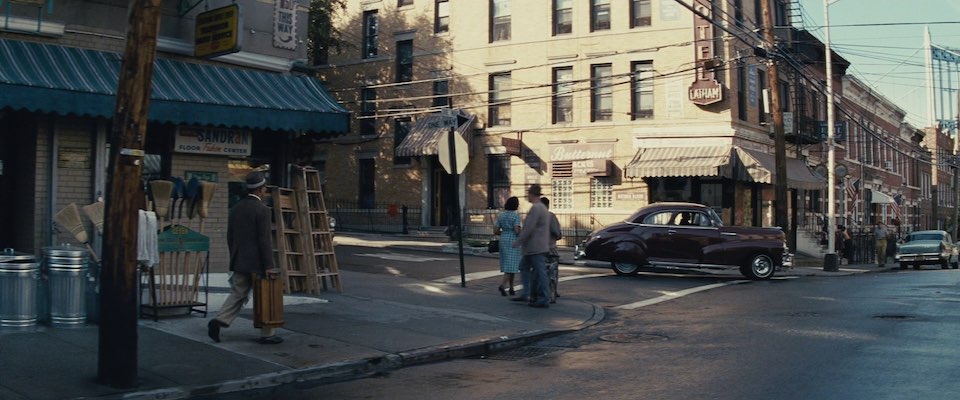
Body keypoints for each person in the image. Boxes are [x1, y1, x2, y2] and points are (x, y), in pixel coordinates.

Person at [208, 171, 284, 345]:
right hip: (257, 262)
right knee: (265, 296)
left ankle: (220, 320)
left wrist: (234, 256)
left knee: (237, 293)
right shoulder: (263, 210)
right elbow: (264, 240)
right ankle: (267, 334)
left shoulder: (236, 208)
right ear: (261, 189)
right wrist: (269, 265)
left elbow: (230, 236)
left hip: (239, 259)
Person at [510, 184, 551, 308]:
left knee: (540, 272)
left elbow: (529, 227)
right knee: (525, 267)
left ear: (532, 194)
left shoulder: (536, 208)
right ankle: (527, 293)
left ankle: (543, 298)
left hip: (535, 247)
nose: (527, 196)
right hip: (537, 246)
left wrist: (519, 241)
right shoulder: (542, 208)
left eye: (528, 193)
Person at [494, 197, 521, 296]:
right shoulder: (516, 216)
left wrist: (503, 232)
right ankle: (503, 285)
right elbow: (517, 230)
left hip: (503, 238)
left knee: (509, 264)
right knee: (512, 265)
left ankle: (512, 288)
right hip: (513, 239)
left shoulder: (501, 215)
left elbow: (496, 230)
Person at [541, 197, 562, 304]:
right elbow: (557, 233)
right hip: (550, 249)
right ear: (548, 205)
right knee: (552, 272)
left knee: (541, 272)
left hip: (537, 250)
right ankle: (553, 292)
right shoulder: (550, 216)